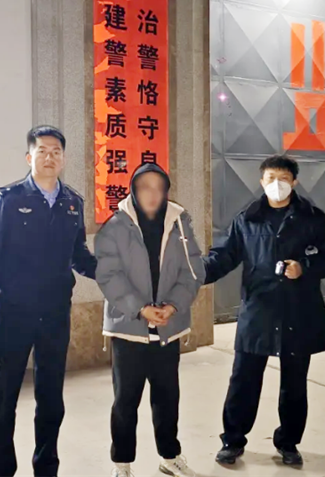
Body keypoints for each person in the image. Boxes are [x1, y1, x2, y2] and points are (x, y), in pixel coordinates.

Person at [0, 125, 97, 477]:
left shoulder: (72, 203)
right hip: (13, 313)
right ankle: (0, 470)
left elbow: (79, 256)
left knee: (52, 400)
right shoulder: (8, 200)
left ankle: (46, 468)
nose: (49, 157)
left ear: (64, 159)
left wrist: (112, 273)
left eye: (56, 152)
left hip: (55, 314)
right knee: (4, 398)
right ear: (30, 157)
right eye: (42, 151)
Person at [204, 156, 325, 467]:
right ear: (261, 182)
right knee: (243, 379)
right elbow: (223, 256)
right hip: (258, 311)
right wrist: (194, 273)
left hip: (299, 311)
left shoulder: (313, 218)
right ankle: (232, 441)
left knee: (294, 383)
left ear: (294, 182)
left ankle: (288, 443)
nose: (277, 184)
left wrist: (305, 267)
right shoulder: (247, 220)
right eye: (271, 178)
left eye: (283, 178)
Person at [95, 163, 206, 477]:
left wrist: (173, 306)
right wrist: (140, 308)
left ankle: (169, 457)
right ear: (133, 190)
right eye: (145, 187)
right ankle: (122, 464)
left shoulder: (179, 222)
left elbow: (193, 270)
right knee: (125, 400)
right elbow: (109, 275)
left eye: (159, 187)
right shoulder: (116, 226)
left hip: (167, 327)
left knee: (167, 396)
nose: (153, 194)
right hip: (129, 328)